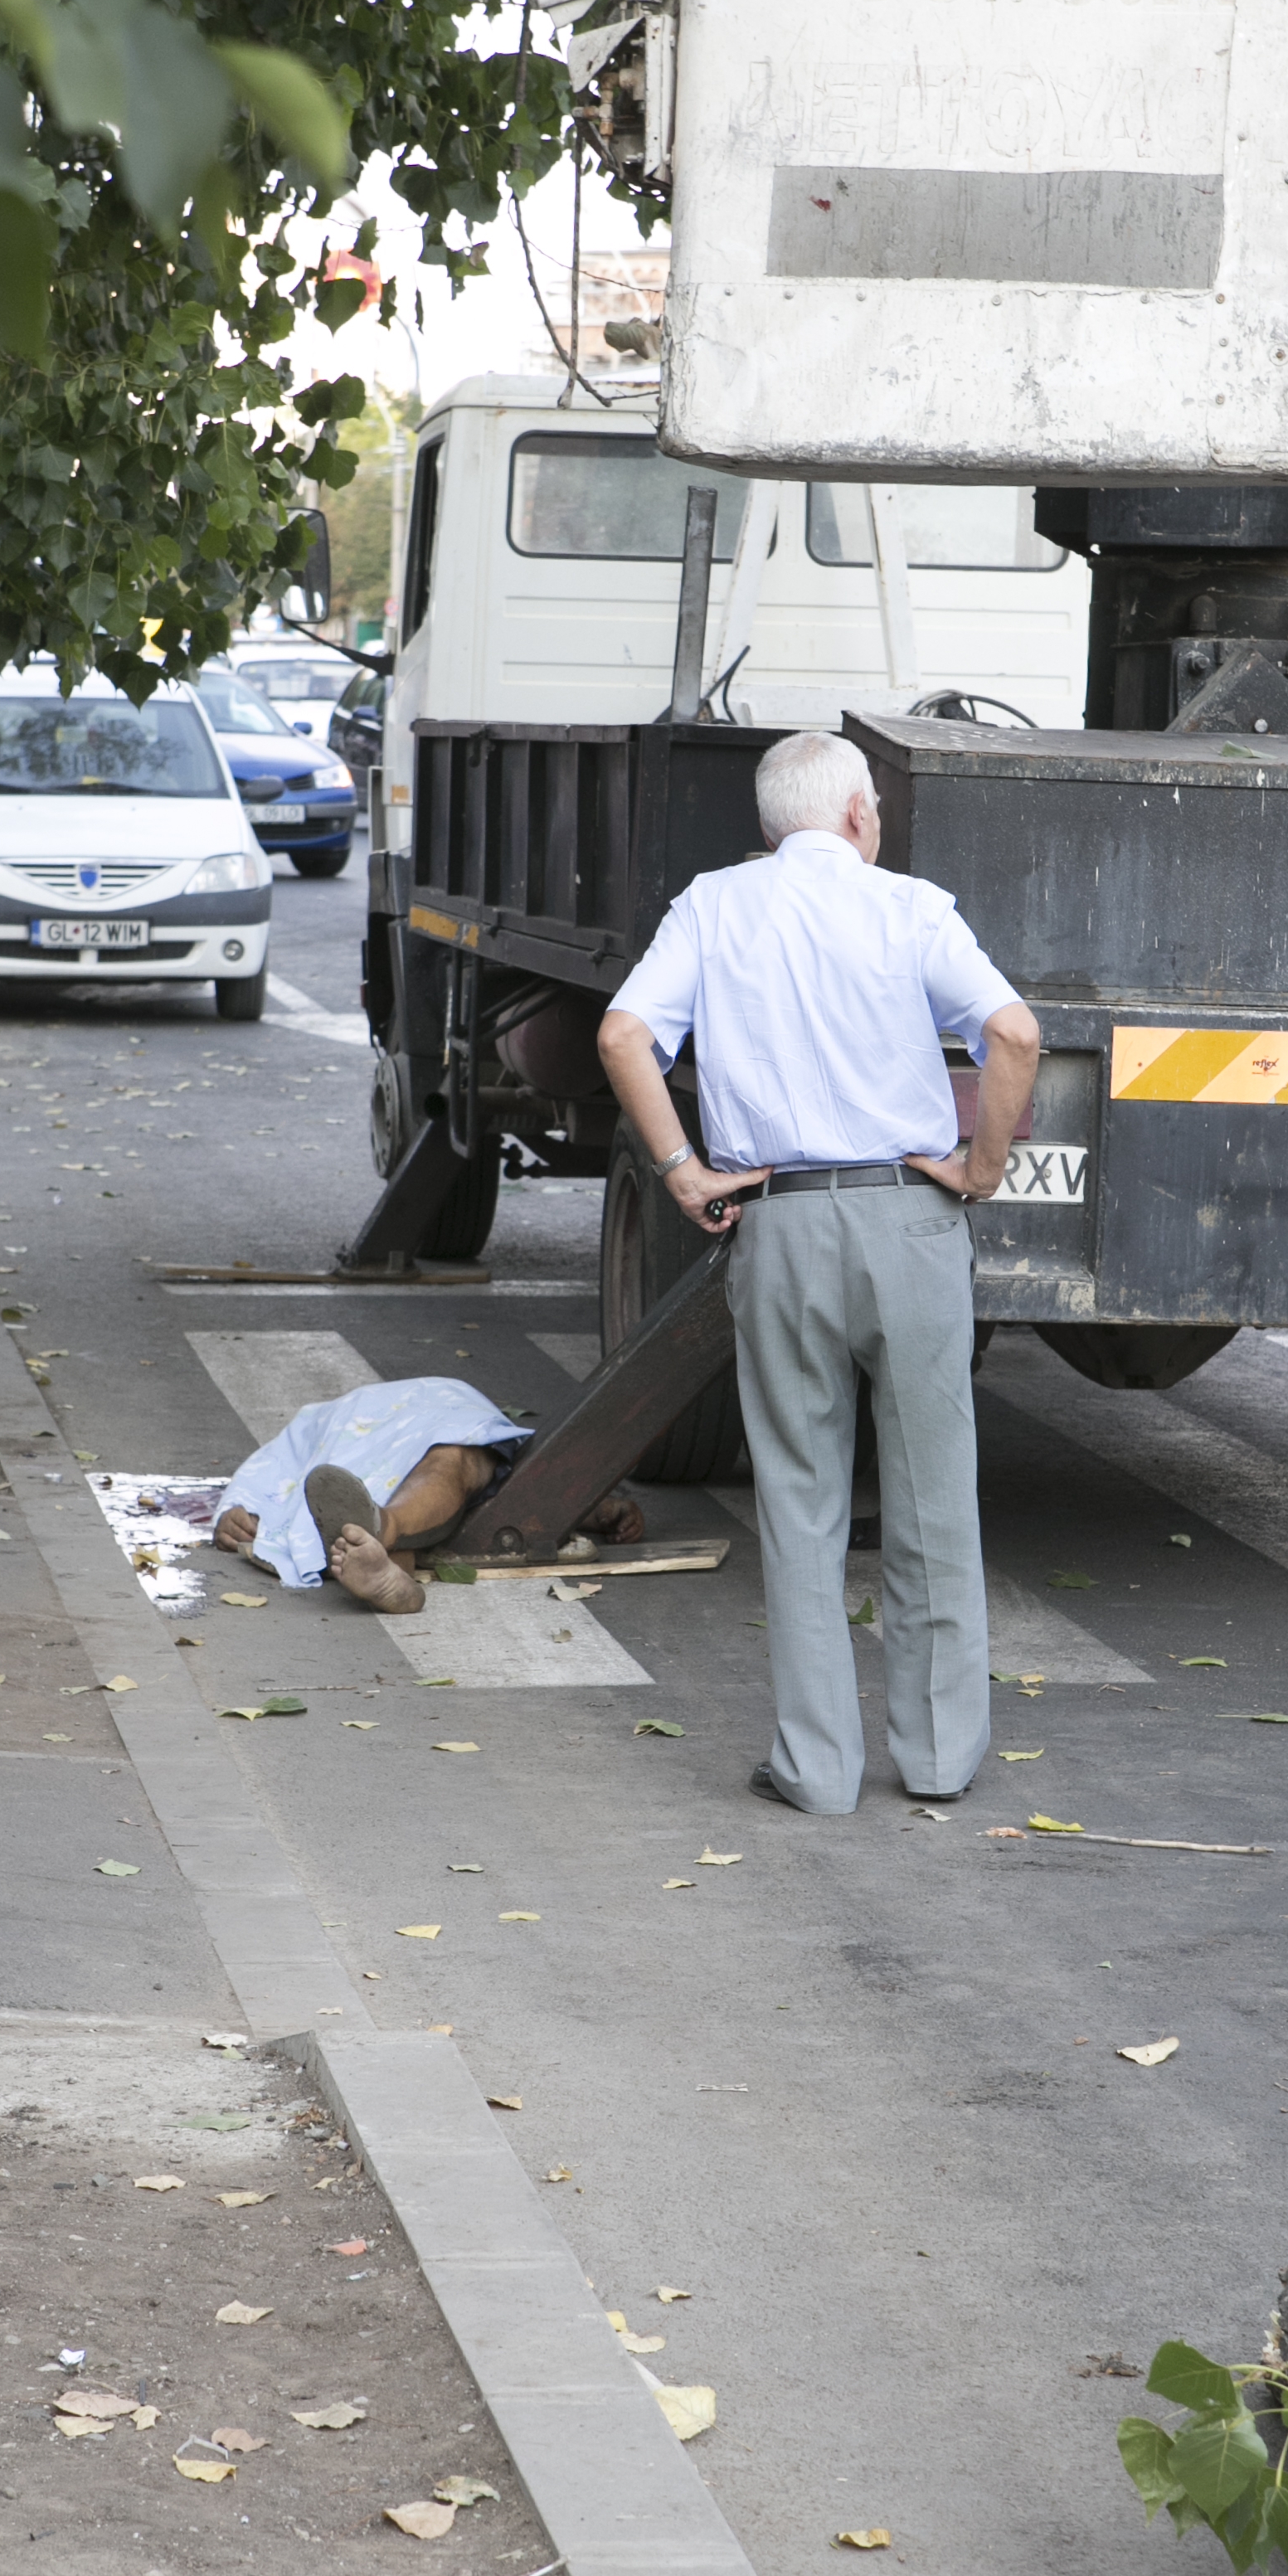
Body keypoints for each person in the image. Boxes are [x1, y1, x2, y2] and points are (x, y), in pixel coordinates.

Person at [596, 727, 1040, 1816]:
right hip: (908, 1220)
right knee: (934, 1495)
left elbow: (620, 1035)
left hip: (778, 1221)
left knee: (800, 1501)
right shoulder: (909, 909)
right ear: (855, 816)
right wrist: (978, 1168)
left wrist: (681, 1171)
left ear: (769, 825)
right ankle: (937, 1760)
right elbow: (1014, 1034)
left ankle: (815, 1768)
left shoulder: (713, 905)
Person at [211, 1378, 640, 1615]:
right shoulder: (328, 1418)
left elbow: (271, 1461)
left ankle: (389, 1544)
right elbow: (279, 1456)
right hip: (403, 1450)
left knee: (448, 1461)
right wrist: (236, 1510)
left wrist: (240, 1503)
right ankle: (391, 1562)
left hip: (442, 1426)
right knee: (448, 1467)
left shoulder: (425, 1403)